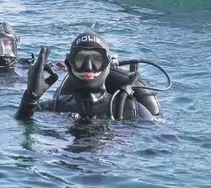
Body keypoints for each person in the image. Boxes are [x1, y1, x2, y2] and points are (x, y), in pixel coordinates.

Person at [16, 32, 162, 121]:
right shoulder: (53, 107)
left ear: (107, 64)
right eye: (80, 59)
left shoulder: (131, 110)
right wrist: (30, 98)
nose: (88, 67)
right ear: (69, 63)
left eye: (96, 60)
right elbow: (22, 129)